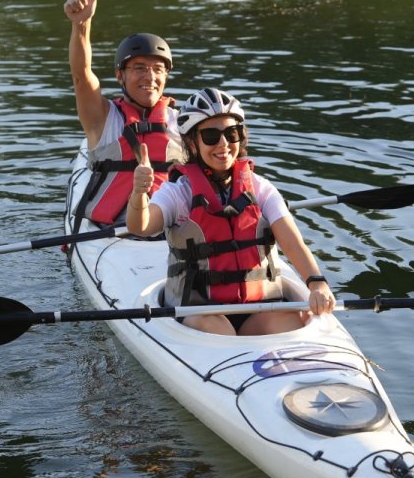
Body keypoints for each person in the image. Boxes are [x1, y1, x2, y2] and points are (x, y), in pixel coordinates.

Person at [126, 88, 336, 336]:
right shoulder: (179, 192)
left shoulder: (260, 187)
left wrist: (317, 283)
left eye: (231, 133)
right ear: (193, 143)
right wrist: (139, 194)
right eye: (211, 135)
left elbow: (292, 242)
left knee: (288, 320)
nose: (223, 144)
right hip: (200, 314)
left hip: (260, 308)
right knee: (216, 328)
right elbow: (141, 226)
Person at [63, 0, 182, 226]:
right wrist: (81, 25)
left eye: (158, 69)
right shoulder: (102, 119)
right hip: (111, 231)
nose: (150, 77)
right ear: (120, 76)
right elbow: (81, 75)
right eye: (139, 68)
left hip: (170, 226)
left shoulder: (183, 122)